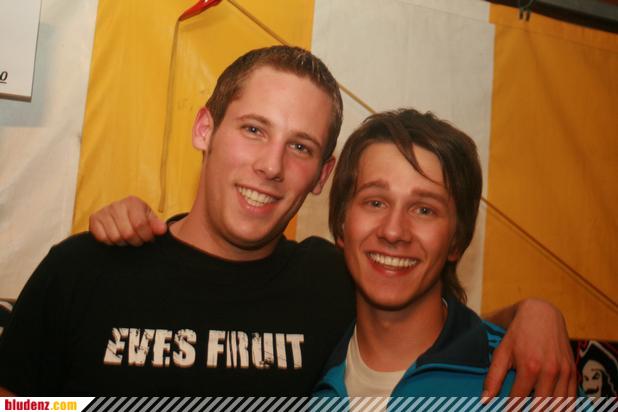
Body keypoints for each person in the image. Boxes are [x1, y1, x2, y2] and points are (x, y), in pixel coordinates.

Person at [0, 46, 574, 396]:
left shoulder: (334, 279)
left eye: (300, 147)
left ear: (322, 176)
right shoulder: (85, 269)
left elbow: (433, 325)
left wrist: (534, 313)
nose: (271, 166)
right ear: (205, 129)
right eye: (254, 129)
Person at [313, 109, 518, 399]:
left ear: (456, 239)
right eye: (375, 203)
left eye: (424, 210)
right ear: (342, 223)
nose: (394, 231)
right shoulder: (303, 366)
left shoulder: (526, 384)